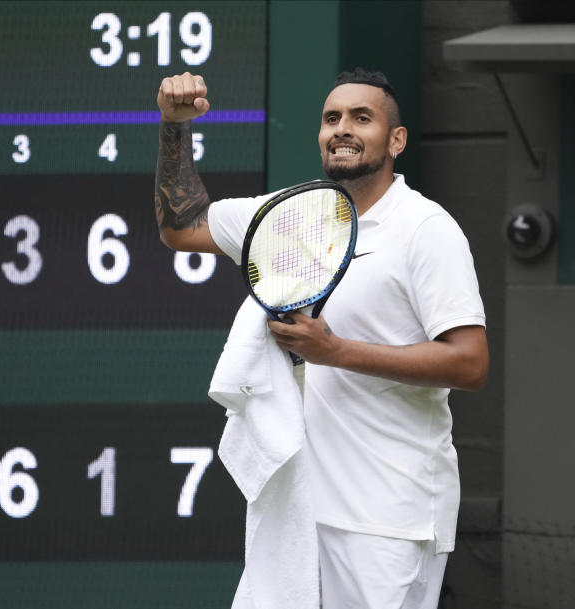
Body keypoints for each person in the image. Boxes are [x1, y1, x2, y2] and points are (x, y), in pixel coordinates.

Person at [154, 68, 489, 609]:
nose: (342, 129)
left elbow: (470, 363)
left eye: (362, 117)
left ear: (396, 140)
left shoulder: (428, 229)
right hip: (298, 511)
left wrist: (335, 353)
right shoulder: (290, 216)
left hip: (389, 518)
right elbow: (181, 225)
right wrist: (174, 126)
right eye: (332, 118)